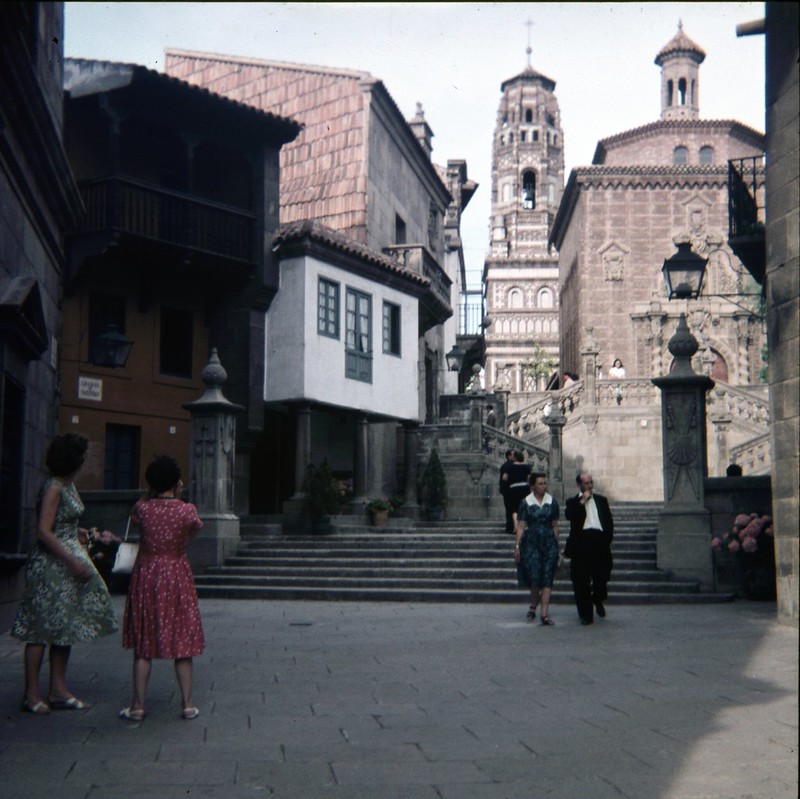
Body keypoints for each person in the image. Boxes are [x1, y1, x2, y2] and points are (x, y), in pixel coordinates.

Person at [12, 433, 118, 714]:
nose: (85, 461)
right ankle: (31, 694)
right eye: (82, 457)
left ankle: (58, 690)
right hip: (50, 565)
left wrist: (81, 532)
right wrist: (71, 560)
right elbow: (44, 532)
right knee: (40, 627)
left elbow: (62, 522)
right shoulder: (54, 487)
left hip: (67, 560)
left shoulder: (67, 485)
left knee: (64, 626)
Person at [120, 455, 205, 721]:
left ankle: (137, 706)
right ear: (177, 481)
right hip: (177, 574)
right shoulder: (186, 510)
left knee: (144, 643)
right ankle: (188, 704)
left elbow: (137, 520)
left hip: (147, 574)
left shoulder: (142, 508)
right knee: (182, 640)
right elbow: (193, 531)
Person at [564, 472, 614, 625]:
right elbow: (570, 516)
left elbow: (608, 521)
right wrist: (583, 500)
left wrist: (607, 538)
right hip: (581, 543)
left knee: (602, 576)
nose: (590, 486)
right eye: (586, 483)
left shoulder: (601, 500)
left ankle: (598, 599)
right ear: (580, 485)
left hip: (599, 541)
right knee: (581, 581)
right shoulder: (573, 502)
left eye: (591, 482)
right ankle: (586, 615)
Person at [514, 473, 560, 626]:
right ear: (533, 485)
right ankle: (533, 605)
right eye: (540, 483)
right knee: (535, 576)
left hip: (548, 543)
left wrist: (557, 546)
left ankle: (544, 614)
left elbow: (555, 525)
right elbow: (521, 526)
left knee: (547, 577)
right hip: (532, 543)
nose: (544, 486)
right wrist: (517, 546)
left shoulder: (552, 502)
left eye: (545, 483)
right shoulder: (525, 502)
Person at [505, 451, 532, 535]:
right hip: (524, 488)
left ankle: (516, 526)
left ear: (515, 457)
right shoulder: (527, 467)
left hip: (513, 488)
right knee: (524, 507)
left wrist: (511, 480)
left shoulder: (510, 467)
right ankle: (524, 526)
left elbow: (504, 478)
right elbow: (529, 479)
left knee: (514, 509)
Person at [498, 449, 515, 534]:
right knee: (511, 510)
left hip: (507, 491)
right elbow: (504, 479)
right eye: (512, 455)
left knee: (509, 510)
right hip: (510, 491)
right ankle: (511, 527)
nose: (514, 456)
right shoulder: (508, 466)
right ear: (508, 456)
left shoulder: (505, 465)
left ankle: (510, 527)